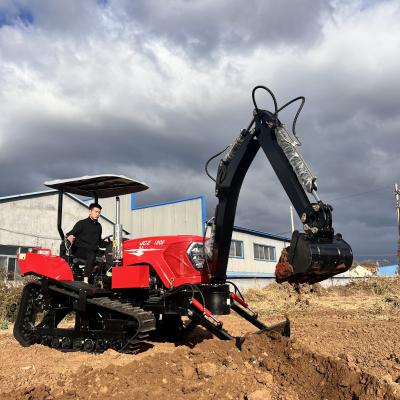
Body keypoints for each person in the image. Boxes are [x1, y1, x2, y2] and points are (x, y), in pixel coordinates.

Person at [66, 203, 103, 284]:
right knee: (91, 254)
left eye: (99, 212)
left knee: (106, 256)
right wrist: (70, 237)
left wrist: (112, 244)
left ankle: (102, 280)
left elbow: (100, 242)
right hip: (80, 250)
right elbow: (70, 234)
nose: (98, 214)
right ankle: (85, 280)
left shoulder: (99, 226)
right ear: (90, 211)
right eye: (96, 212)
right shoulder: (82, 223)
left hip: (93, 250)